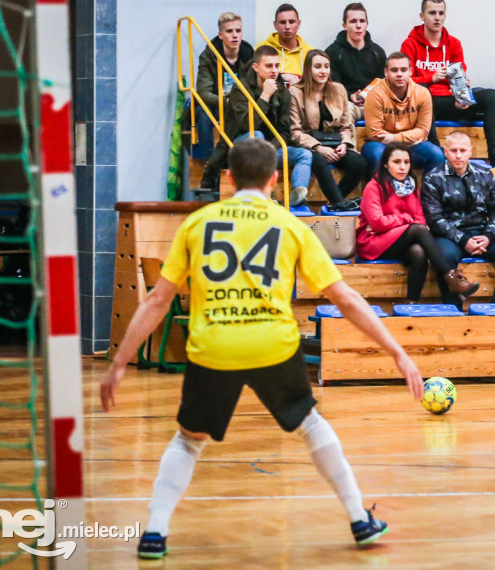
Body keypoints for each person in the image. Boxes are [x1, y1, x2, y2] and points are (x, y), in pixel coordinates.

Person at [100, 138, 425, 558]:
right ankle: (359, 519)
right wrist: (397, 351)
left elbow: (157, 301)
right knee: (311, 424)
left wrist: (119, 362)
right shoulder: (289, 225)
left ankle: (155, 533)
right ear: (275, 178)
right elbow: (344, 298)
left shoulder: (198, 224)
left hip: (215, 345)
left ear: (230, 178)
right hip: (273, 344)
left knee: (187, 441)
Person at [400, 0, 495, 165]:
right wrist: (431, 77)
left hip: (451, 101)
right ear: (422, 16)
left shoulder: (453, 43)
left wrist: (462, 97)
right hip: (426, 105)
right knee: (421, 89)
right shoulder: (410, 44)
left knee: (491, 95)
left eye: (441, 13)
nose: (437, 18)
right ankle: (436, 149)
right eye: (432, 13)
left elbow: (461, 76)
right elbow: (404, 81)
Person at [356, 142, 480, 302]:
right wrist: (404, 220)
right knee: (418, 230)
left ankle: (411, 303)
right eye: (396, 162)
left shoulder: (410, 186)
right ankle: (453, 279)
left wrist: (400, 224)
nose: (402, 167)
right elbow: (378, 223)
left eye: (406, 162)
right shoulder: (373, 187)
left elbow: (420, 218)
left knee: (418, 252)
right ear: (386, 164)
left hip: (399, 239)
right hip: (373, 241)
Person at [421, 131, 495, 307]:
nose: (458, 155)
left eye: (463, 150)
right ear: (446, 152)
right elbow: (434, 219)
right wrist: (464, 240)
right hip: (448, 236)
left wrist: (489, 236)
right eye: (454, 150)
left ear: (470, 152)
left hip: (481, 232)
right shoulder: (432, 177)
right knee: (444, 257)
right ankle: (453, 308)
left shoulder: (484, 174)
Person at [200, 46, 314, 206]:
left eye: (276, 65)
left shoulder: (283, 91)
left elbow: (284, 131)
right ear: (256, 67)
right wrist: (265, 96)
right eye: (269, 66)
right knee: (257, 136)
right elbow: (247, 125)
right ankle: (266, 195)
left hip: (269, 149)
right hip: (239, 146)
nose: (274, 70)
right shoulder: (240, 89)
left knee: (304, 154)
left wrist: (270, 149)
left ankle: (298, 194)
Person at [290, 49, 368, 211]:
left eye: (326, 66)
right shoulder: (295, 92)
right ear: (308, 69)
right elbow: (294, 131)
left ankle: (333, 204)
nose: (323, 71)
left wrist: (345, 144)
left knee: (359, 163)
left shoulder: (338, 89)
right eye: (318, 66)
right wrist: (319, 147)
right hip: (309, 145)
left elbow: (346, 125)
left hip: (335, 142)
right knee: (317, 160)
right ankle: (339, 204)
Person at [362, 52, 444, 174]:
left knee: (436, 154)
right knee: (376, 154)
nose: (399, 74)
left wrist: (394, 138)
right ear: (386, 72)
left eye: (403, 70)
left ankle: (430, 193)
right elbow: (375, 133)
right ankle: (379, 193)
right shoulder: (375, 94)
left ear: (410, 71)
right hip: (381, 145)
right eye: (394, 70)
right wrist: (409, 139)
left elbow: (423, 131)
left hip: (411, 146)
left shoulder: (422, 93)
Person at [193, 12, 254, 160]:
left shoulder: (248, 54)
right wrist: (227, 101)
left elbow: (254, 86)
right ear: (220, 35)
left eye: (238, 31)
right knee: (203, 112)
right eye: (229, 31)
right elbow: (203, 92)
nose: (235, 35)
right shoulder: (209, 56)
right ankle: (209, 161)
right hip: (217, 104)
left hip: (241, 105)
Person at [325, 2, 387, 107]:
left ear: (367, 24)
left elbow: (384, 83)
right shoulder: (332, 53)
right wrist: (350, 96)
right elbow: (332, 87)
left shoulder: (378, 52)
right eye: (353, 21)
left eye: (362, 21)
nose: (358, 26)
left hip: (375, 104)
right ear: (344, 25)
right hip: (345, 104)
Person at [258, 3, 312, 85]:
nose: (287, 27)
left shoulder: (309, 52)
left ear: (299, 24)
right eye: (282, 22)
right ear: (275, 25)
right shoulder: (262, 48)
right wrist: (282, 78)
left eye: (291, 22)